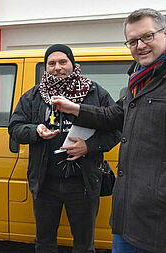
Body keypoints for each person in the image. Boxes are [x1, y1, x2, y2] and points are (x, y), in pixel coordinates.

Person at [52, 8, 166, 253]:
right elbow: (113, 116)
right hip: (127, 212)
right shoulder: (138, 81)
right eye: (133, 41)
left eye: (147, 37)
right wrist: (74, 108)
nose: (140, 45)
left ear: (165, 34)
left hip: (157, 218)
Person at [8, 44, 120, 253]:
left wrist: (88, 146)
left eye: (62, 62)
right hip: (45, 183)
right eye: (51, 63)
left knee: (84, 244)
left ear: (72, 64)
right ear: (46, 67)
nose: (57, 67)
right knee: (44, 242)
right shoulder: (34, 96)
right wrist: (35, 131)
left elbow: (115, 130)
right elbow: (14, 128)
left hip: (83, 183)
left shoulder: (94, 92)